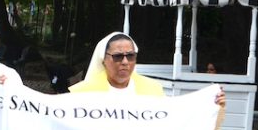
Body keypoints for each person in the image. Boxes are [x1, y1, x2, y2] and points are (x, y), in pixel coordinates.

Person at [69, 32, 225, 105]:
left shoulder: (153, 90)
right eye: (118, 56)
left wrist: (209, 103)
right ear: (104, 60)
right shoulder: (82, 93)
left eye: (130, 56)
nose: (125, 62)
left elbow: (174, 119)